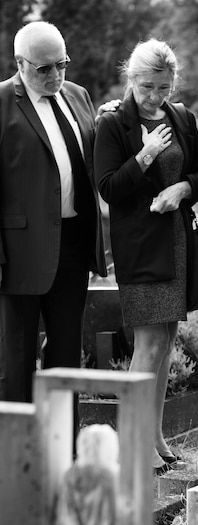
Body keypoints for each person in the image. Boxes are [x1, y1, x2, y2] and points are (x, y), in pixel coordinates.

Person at [95, 39, 198, 474]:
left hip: (177, 243)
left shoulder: (181, 116)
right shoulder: (113, 122)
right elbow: (108, 188)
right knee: (147, 344)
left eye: (163, 87)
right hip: (140, 248)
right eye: (146, 86)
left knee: (164, 344)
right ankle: (133, 442)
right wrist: (145, 154)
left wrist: (182, 189)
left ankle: (156, 435)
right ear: (131, 79)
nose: (154, 96)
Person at [0, 21, 106, 403]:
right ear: (20, 63)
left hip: (74, 245)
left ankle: (65, 448)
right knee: (17, 355)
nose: (56, 75)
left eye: (62, 64)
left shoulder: (78, 95)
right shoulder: (1, 102)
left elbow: (94, 161)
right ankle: (19, 454)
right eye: (44, 68)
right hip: (19, 252)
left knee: (66, 356)